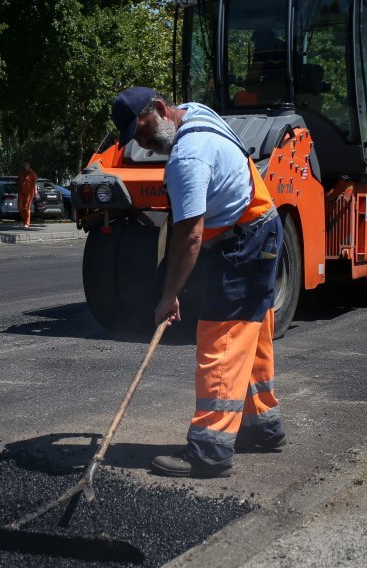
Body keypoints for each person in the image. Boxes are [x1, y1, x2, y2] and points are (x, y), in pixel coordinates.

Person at [111, 86, 285, 478]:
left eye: (141, 130)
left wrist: (168, 296)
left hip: (242, 240)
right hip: (262, 227)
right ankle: (262, 427)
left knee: (221, 339)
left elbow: (189, 236)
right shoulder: (195, 112)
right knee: (251, 333)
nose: (141, 143)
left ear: (159, 109)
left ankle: (210, 450)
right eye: (133, 138)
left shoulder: (187, 158)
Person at [17, 160, 38, 228]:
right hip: (21, 192)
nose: (25, 166)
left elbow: (35, 184)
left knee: (27, 207)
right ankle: (24, 219)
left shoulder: (32, 173)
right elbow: (18, 182)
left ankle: (27, 223)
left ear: (29, 165)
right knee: (20, 207)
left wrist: (35, 192)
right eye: (24, 164)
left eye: (26, 164)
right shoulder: (21, 172)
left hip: (29, 192)